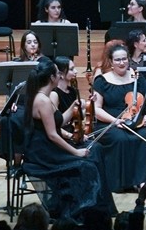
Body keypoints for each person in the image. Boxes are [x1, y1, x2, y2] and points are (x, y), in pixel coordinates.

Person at [22, 57, 115, 219]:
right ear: (52, 77)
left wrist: (73, 108)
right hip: (43, 152)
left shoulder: (45, 96)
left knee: (95, 152)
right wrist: (75, 152)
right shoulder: (43, 100)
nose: (60, 75)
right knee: (86, 166)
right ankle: (80, 213)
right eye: (57, 73)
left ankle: (99, 210)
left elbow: (60, 121)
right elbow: (52, 134)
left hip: (48, 146)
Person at [90, 43, 146, 192]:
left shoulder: (137, 77)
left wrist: (144, 116)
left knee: (145, 134)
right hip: (109, 122)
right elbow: (96, 109)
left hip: (134, 120)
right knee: (121, 138)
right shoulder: (102, 81)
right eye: (117, 60)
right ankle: (121, 183)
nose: (122, 62)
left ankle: (142, 181)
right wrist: (115, 121)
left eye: (124, 59)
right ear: (111, 62)